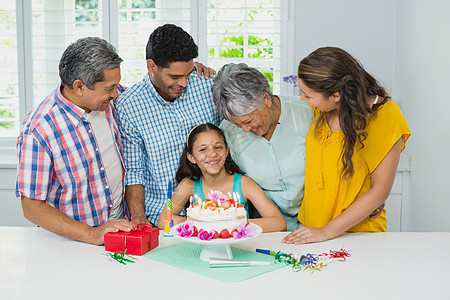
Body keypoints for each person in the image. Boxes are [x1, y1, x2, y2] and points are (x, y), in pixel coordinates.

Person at [282, 47, 411, 244]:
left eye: (307, 95)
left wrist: (327, 231)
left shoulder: (387, 116)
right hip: (311, 228)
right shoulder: (325, 108)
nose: (302, 98)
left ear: (336, 95)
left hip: (356, 234)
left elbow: (380, 190)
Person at [16, 37, 133, 245]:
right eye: (109, 88)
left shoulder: (107, 101)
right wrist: (92, 234)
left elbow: (146, 92)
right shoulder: (39, 132)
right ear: (79, 87)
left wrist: (192, 71)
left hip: (120, 229)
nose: (116, 93)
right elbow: (32, 207)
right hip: (72, 243)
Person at [116, 24, 221, 227]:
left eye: (187, 74)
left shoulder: (207, 84)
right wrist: (138, 216)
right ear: (151, 66)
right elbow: (134, 170)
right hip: (163, 218)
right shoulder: (129, 105)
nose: (183, 83)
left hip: (217, 210)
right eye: (174, 77)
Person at [212, 63, 313, 231]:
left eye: (248, 121)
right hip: (265, 229)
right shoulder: (227, 133)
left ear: (266, 99)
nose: (245, 130)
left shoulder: (308, 113)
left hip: (317, 223)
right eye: (237, 125)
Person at [157, 123, 286, 232]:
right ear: (191, 158)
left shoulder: (244, 184)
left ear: (227, 151)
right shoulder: (188, 184)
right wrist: (207, 224)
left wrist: (230, 225)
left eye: (218, 147)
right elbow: (164, 220)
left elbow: (279, 223)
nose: (212, 153)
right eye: (203, 149)